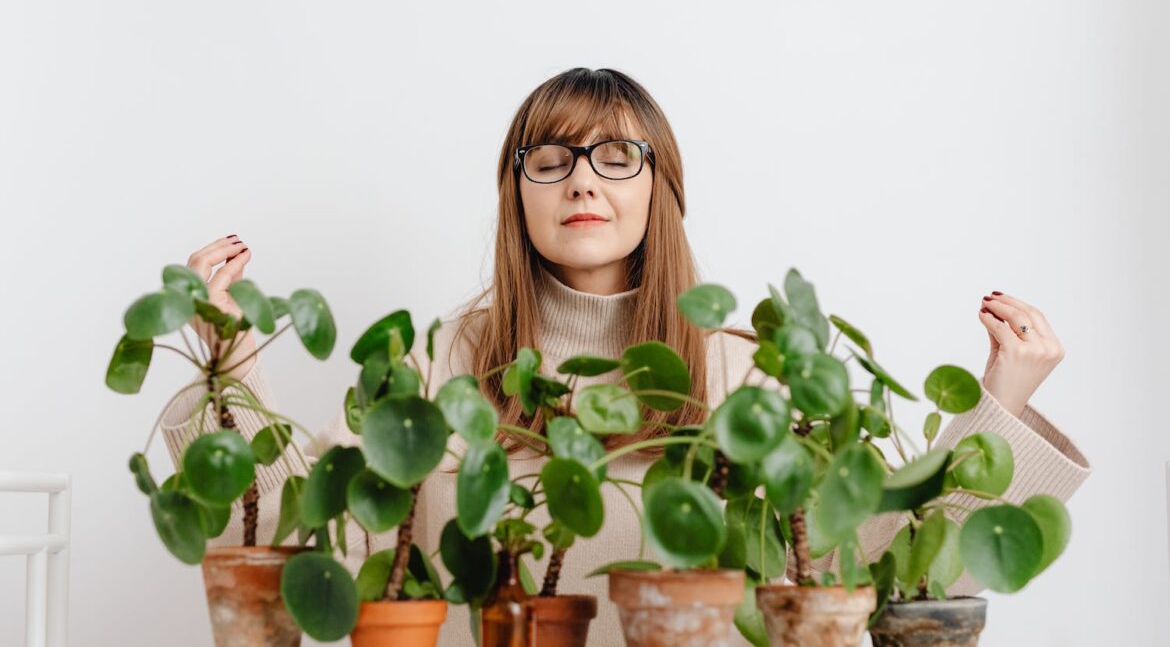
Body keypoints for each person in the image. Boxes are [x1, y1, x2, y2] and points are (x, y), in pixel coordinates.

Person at [161, 67, 1092, 647]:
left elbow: (888, 568)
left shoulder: (749, 369)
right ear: (516, 193)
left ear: (661, 189)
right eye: (550, 158)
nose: (581, 182)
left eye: (617, 157)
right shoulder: (445, 359)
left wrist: (1001, 405)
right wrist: (228, 359)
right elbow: (291, 544)